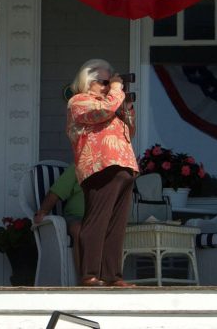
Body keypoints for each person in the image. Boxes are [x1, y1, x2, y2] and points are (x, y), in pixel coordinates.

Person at [67, 58, 138, 287]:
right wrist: (116, 91)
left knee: (117, 224)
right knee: (97, 220)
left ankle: (112, 275)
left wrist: (126, 106)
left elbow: (130, 131)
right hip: (100, 166)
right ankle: (89, 273)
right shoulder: (79, 101)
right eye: (104, 82)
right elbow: (102, 111)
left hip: (123, 165)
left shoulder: (113, 103)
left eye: (111, 82)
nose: (109, 86)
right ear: (88, 81)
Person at [33, 165, 84, 274]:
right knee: (79, 230)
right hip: (76, 218)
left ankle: (112, 278)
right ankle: (85, 279)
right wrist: (43, 212)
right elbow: (56, 192)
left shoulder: (112, 170)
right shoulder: (79, 166)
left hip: (100, 218)